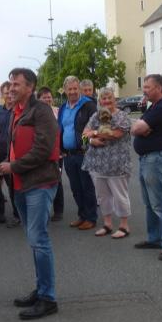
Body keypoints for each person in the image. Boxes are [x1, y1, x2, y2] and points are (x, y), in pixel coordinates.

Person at [0, 68, 61, 320]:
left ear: (30, 87)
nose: (11, 88)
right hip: (21, 183)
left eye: (16, 84)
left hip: (39, 183)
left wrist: (14, 167)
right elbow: (16, 147)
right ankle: (41, 289)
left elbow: (43, 148)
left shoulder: (41, 111)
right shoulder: (17, 111)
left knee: (39, 240)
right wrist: (3, 166)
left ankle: (48, 298)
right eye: (10, 83)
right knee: (34, 240)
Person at [131, 74, 162, 261]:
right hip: (146, 158)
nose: (144, 90)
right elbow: (137, 127)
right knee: (149, 202)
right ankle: (155, 238)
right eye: (144, 86)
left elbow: (135, 129)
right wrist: (141, 128)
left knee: (159, 202)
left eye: (147, 87)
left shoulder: (161, 109)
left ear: (159, 88)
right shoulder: (153, 107)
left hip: (155, 159)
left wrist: (141, 128)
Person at [82, 87, 133, 239]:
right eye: (103, 99)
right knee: (102, 196)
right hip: (97, 164)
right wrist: (91, 139)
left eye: (109, 98)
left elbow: (116, 134)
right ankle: (107, 224)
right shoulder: (95, 116)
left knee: (119, 195)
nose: (106, 101)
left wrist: (95, 132)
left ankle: (124, 226)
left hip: (117, 164)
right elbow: (84, 135)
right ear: (99, 101)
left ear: (114, 99)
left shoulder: (122, 116)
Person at [57, 76, 98, 230]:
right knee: (75, 187)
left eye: (75, 88)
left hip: (83, 153)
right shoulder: (63, 108)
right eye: (70, 89)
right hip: (67, 154)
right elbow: (60, 128)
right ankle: (82, 215)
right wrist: (60, 149)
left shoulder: (88, 105)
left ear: (79, 89)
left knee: (86, 186)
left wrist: (85, 146)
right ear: (65, 90)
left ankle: (91, 217)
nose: (73, 92)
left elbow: (95, 128)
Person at [0, 81, 20, 226]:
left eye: (11, 92)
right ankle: (0, 213)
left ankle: (17, 214)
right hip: (0, 153)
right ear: (2, 95)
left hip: (14, 155)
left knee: (13, 186)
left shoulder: (20, 110)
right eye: (6, 93)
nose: (9, 95)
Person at [37, 87, 64, 222]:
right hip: (41, 154)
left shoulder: (58, 111)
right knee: (42, 183)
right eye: (44, 97)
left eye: (49, 97)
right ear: (39, 99)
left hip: (57, 153)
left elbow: (64, 131)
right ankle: (44, 210)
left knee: (56, 180)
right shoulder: (35, 113)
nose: (48, 99)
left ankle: (58, 210)